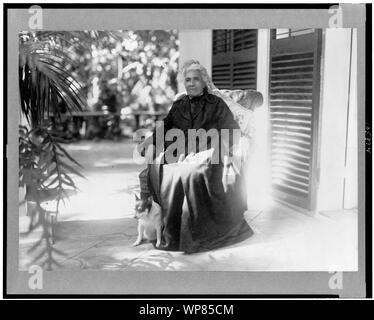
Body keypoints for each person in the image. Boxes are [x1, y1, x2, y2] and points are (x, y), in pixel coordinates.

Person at [139, 59, 254, 253]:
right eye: (188, 79)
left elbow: (231, 129)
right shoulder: (179, 104)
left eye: (196, 79)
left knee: (190, 173)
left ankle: (197, 236)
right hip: (181, 148)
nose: (191, 83)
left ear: (204, 82)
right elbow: (166, 126)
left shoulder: (216, 103)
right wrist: (149, 141)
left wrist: (227, 148)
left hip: (210, 151)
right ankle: (171, 232)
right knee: (163, 167)